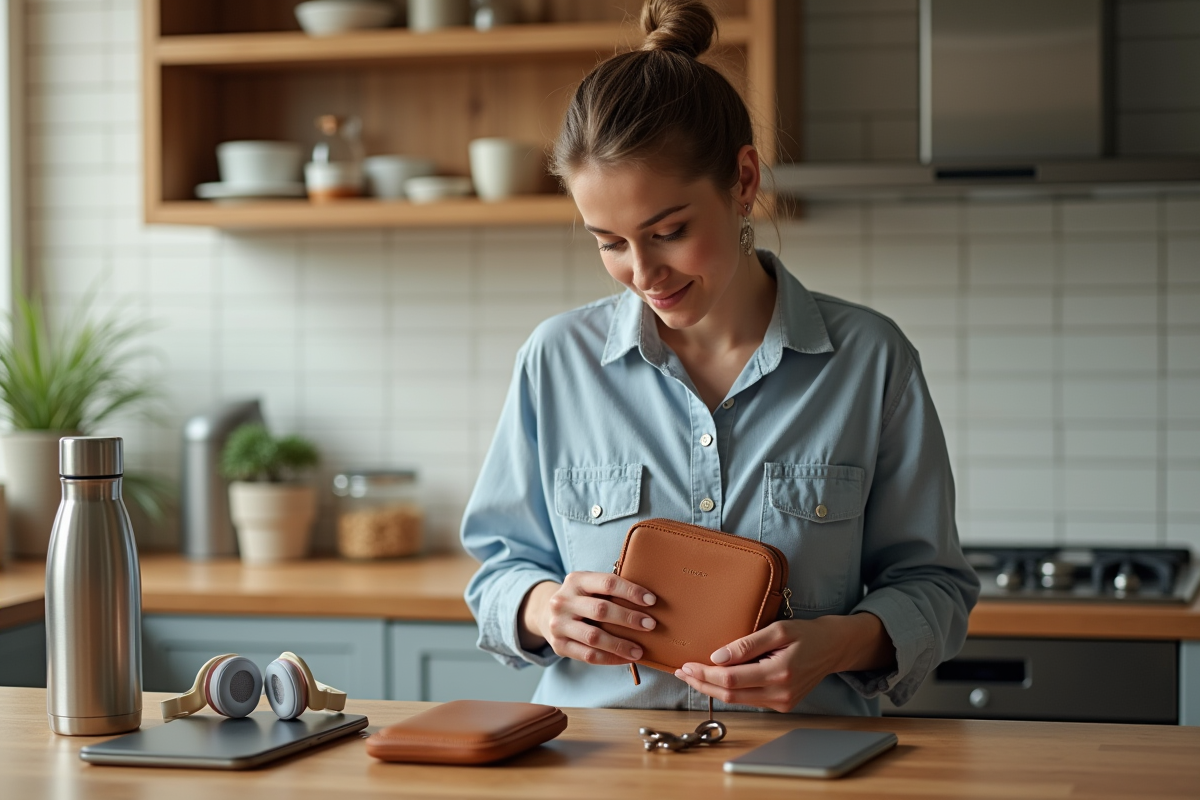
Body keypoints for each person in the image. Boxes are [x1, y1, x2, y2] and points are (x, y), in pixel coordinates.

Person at [461, 0, 979, 716]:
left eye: (668, 231)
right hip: (600, 770)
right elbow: (498, 571)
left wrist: (836, 643)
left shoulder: (871, 359)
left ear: (742, 180)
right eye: (609, 242)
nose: (643, 273)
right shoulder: (555, 361)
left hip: (801, 767)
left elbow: (936, 588)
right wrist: (544, 607)